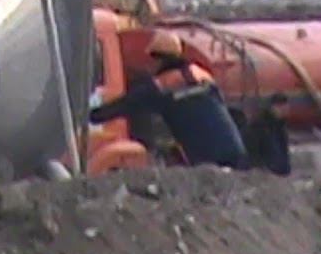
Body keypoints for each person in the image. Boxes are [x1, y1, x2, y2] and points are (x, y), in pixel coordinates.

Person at [90, 30, 249, 169]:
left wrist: (93, 115)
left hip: (208, 159)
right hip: (235, 151)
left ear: (158, 59)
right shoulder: (200, 74)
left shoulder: (162, 85)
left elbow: (127, 104)